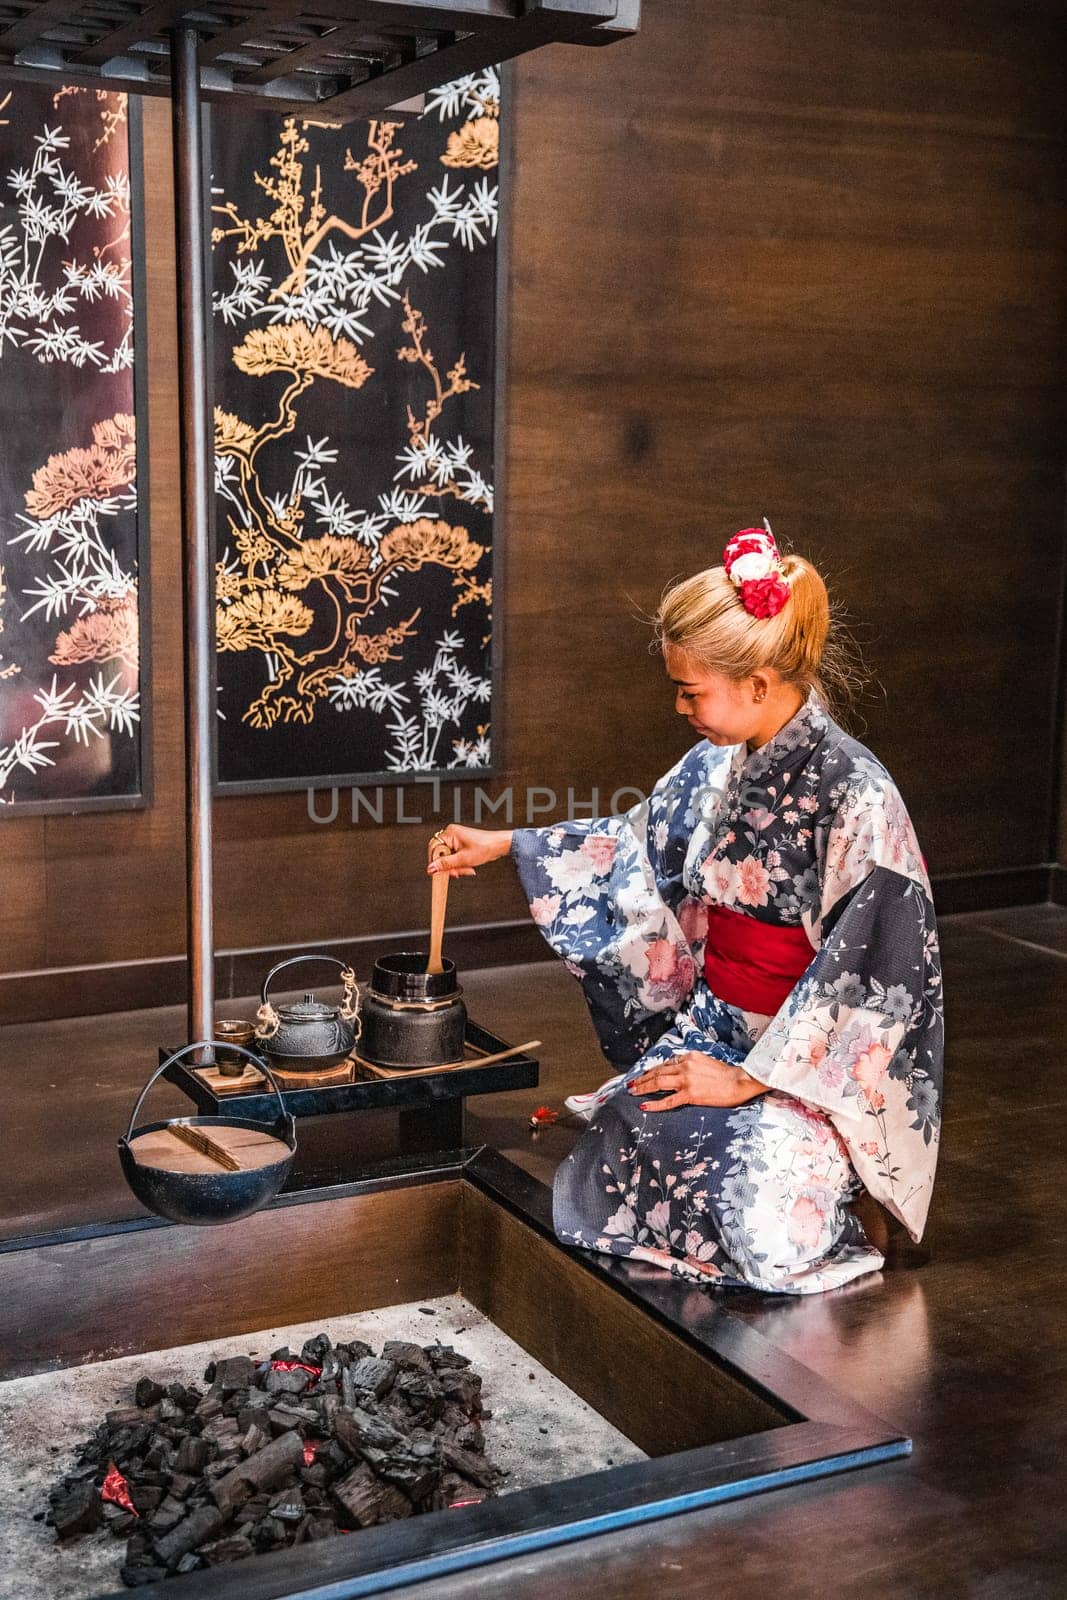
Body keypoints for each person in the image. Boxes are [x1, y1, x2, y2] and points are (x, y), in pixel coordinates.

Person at [425, 525, 943, 1295]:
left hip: (805, 1063)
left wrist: (747, 1081)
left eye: (691, 690)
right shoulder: (713, 763)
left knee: (756, 1223)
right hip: (717, 1024)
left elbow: (876, 978)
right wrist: (506, 845)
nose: (678, 706)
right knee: (620, 1147)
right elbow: (632, 849)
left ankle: (839, 1181)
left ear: (760, 682)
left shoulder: (856, 792)